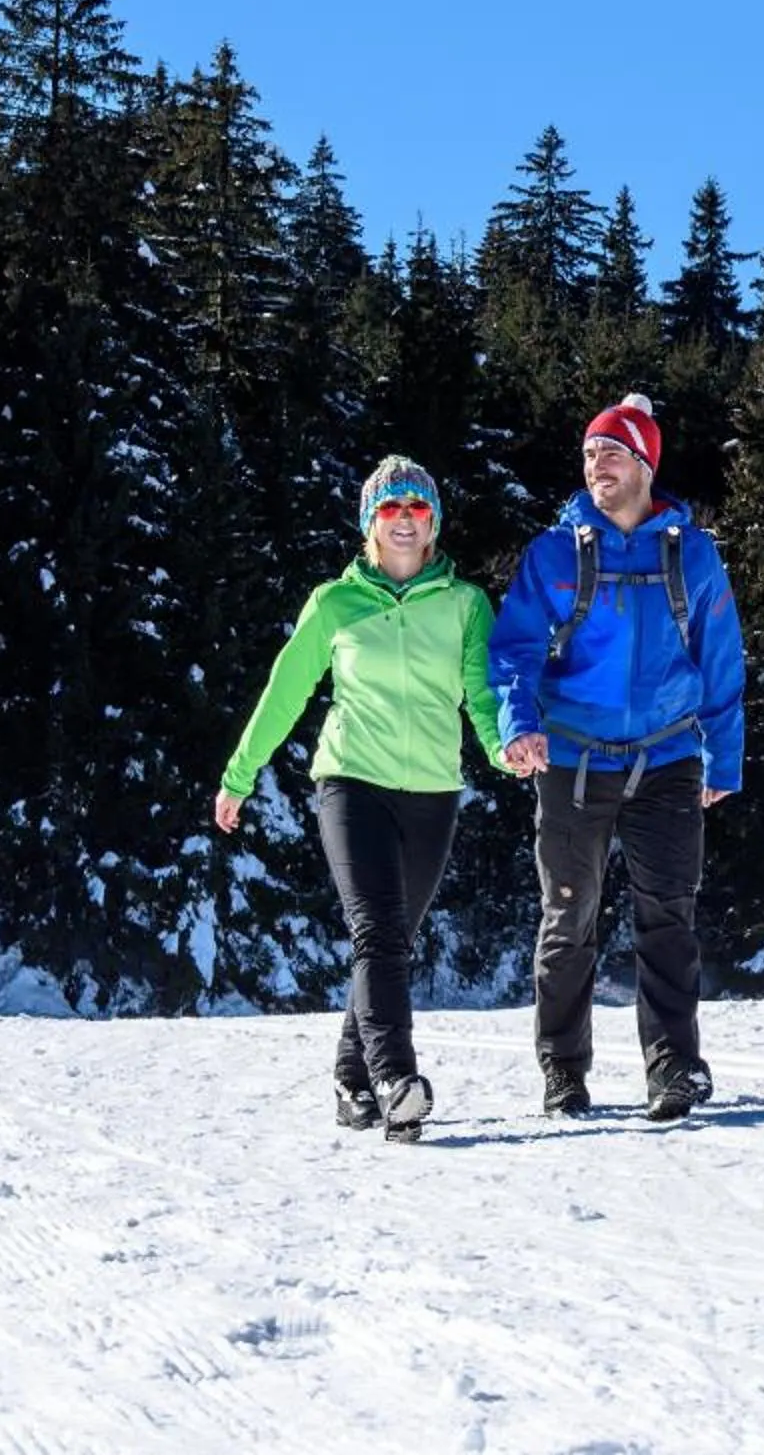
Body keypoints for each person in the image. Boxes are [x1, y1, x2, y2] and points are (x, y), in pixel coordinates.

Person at [217, 456, 507, 1142]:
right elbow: (283, 692)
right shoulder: (334, 603)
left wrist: (502, 749)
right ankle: (394, 1079)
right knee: (377, 931)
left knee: (392, 940)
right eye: (390, 508)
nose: (404, 520)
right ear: (369, 523)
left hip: (433, 789)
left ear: (433, 522)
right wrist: (240, 775)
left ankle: (351, 1080)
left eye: (416, 508)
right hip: (350, 781)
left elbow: (484, 692)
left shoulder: (465, 603)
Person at [493, 394, 747, 1123]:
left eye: (611, 451)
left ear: (644, 463)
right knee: (567, 921)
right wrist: (520, 724)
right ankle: (564, 1074)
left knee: (667, 916)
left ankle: (674, 1069)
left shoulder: (691, 555)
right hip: (572, 760)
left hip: (668, 761)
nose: (595, 464)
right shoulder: (554, 552)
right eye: (588, 453)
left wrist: (722, 761)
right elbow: (512, 651)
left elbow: (721, 661)